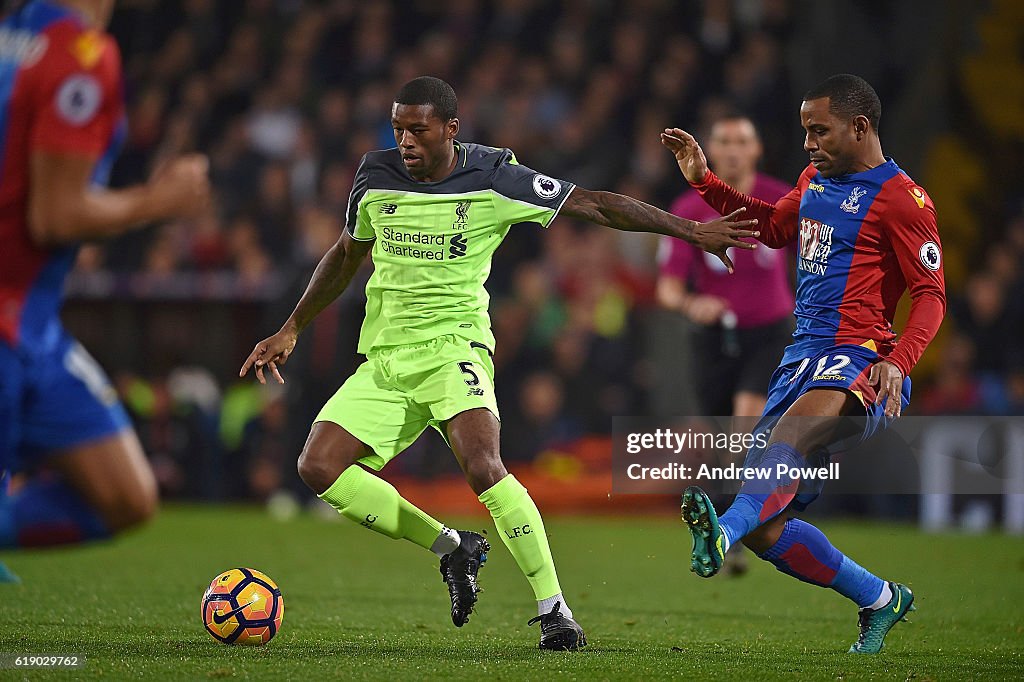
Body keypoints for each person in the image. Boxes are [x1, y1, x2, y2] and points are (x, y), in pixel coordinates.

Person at [239, 76, 758, 650]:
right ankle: (453, 549)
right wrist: (291, 327)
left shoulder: (493, 177)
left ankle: (555, 609)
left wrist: (689, 230)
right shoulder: (374, 175)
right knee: (317, 468)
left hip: (454, 349)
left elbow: (595, 205)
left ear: (450, 129)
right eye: (398, 128)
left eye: (418, 129)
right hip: (385, 358)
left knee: (484, 466)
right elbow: (345, 254)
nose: (405, 140)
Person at [661, 74, 945, 653]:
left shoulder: (902, 199)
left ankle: (722, 531)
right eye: (805, 132)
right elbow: (770, 227)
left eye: (819, 131)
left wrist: (900, 361)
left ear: (859, 127)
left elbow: (932, 295)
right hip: (800, 360)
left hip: (860, 361)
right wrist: (705, 184)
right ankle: (881, 598)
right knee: (770, 529)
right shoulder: (814, 179)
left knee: (779, 450)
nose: (809, 144)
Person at [0, 0, 211, 583]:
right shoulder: (81, 55)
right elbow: (55, 216)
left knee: (127, 496)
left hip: (34, 323)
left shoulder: (17, 38)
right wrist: (159, 202)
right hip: (7, 320)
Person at [656, 115, 794, 575]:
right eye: (724, 142)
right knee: (721, 440)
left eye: (742, 141)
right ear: (710, 151)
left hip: (769, 332)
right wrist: (692, 304)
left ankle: (732, 531)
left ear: (757, 151)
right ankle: (732, 521)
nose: (733, 150)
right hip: (713, 339)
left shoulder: (783, 198)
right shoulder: (687, 207)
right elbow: (668, 288)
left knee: (744, 427)